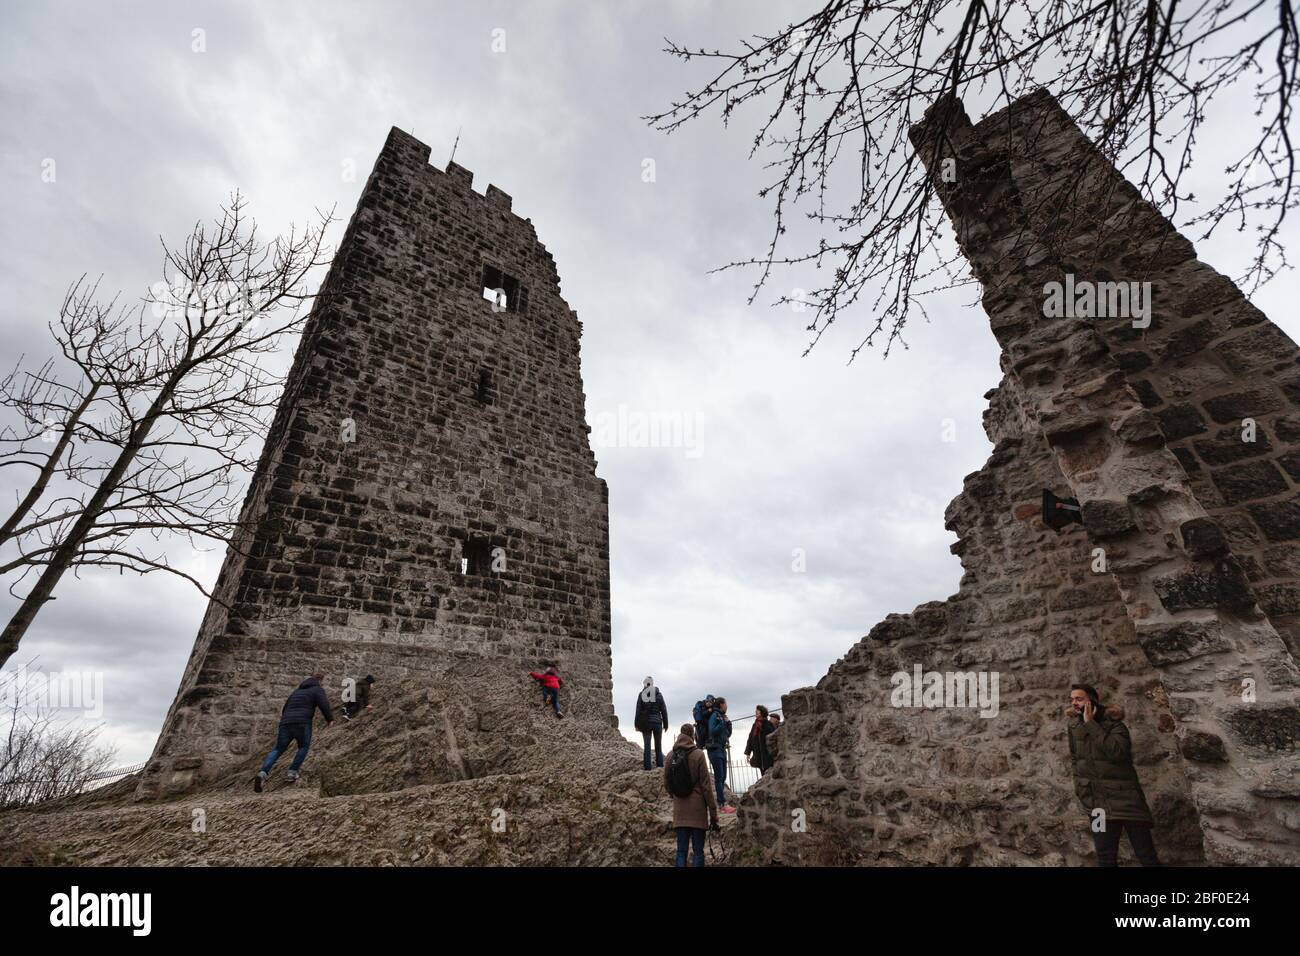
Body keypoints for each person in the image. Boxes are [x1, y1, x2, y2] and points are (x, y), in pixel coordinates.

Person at [1067, 683, 1160, 866]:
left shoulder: (1115, 725)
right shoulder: (1073, 727)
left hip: (1128, 802)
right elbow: (1075, 760)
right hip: (1097, 807)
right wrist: (1081, 789)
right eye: (1072, 700)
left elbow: (1117, 753)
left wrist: (1091, 724)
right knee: (1105, 855)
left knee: (1146, 854)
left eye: (1079, 699)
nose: (1074, 703)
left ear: (1092, 700)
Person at [253, 672, 334, 791]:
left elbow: (285, 707)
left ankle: (262, 773)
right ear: (320, 681)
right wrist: (330, 719)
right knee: (303, 746)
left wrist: (286, 720)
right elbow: (324, 704)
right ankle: (292, 772)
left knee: (278, 749)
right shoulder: (317, 689)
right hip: (302, 722)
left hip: (286, 722)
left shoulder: (297, 691)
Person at [663, 723, 718, 867]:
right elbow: (706, 786)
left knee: (681, 851)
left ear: (680, 734)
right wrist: (713, 812)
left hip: (680, 811)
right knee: (698, 852)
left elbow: (666, 782)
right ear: (693, 735)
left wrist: (674, 796)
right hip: (698, 811)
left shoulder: (670, 756)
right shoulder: (698, 754)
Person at [634, 676, 669, 770]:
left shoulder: (642, 694)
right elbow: (664, 710)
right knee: (658, 746)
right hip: (658, 723)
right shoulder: (659, 695)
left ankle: (648, 768)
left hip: (646, 723)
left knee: (647, 746)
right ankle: (660, 767)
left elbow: (638, 710)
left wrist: (636, 724)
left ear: (645, 684)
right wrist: (666, 724)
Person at [706, 697, 733, 813]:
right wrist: (722, 723)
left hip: (722, 749)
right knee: (719, 777)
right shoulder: (714, 716)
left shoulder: (721, 716)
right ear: (721, 704)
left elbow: (726, 734)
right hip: (714, 749)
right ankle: (721, 804)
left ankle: (721, 803)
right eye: (726, 703)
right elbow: (712, 730)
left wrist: (728, 724)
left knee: (723, 777)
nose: (727, 706)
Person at [745, 704, 775, 774]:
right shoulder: (755, 725)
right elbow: (750, 739)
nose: (755, 712)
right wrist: (748, 753)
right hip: (758, 754)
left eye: (757, 711)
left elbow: (773, 737)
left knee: (768, 772)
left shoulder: (768, 724)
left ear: (762, 712)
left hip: (767, 754)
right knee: (762, 772)